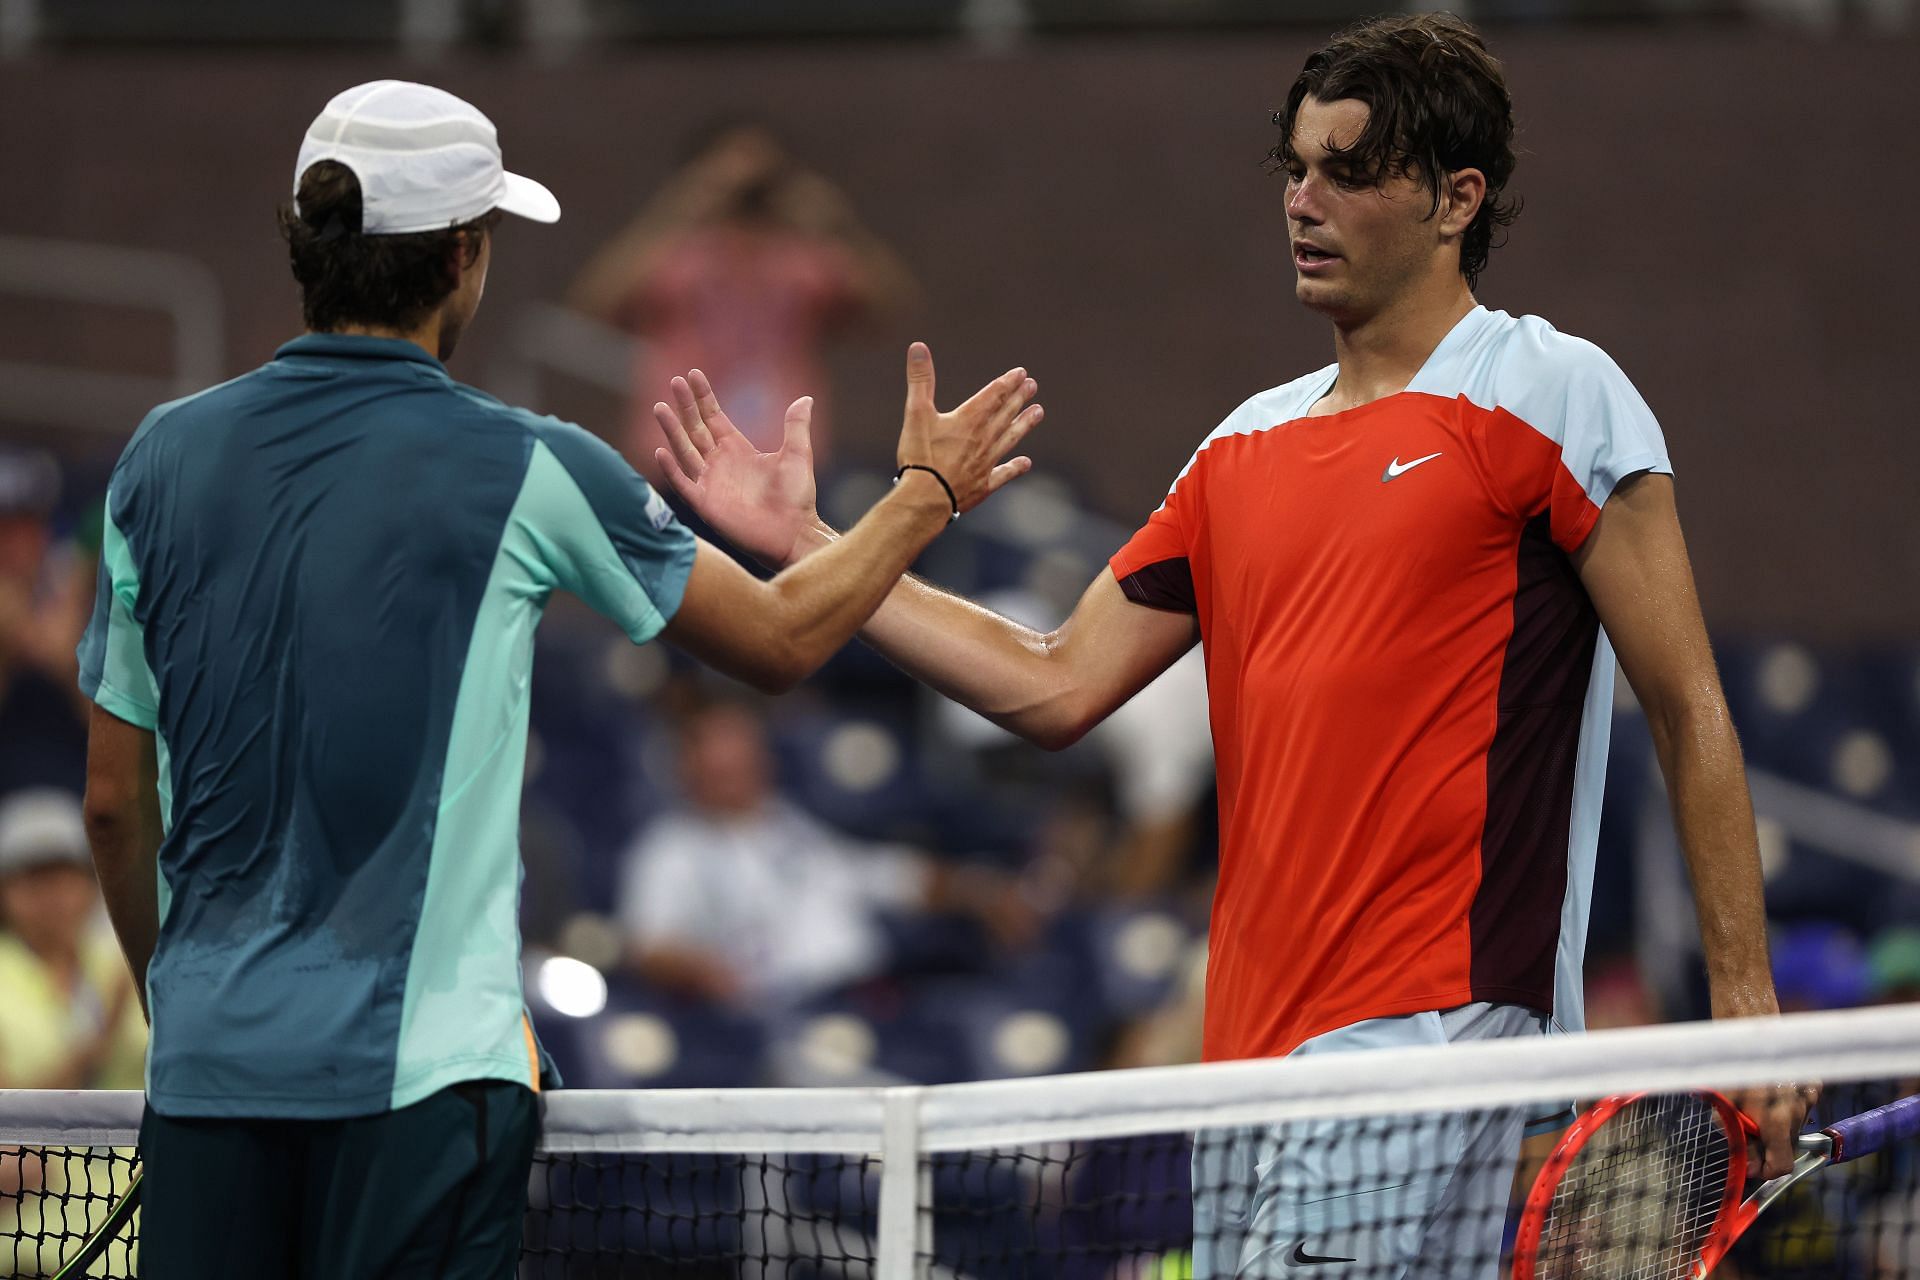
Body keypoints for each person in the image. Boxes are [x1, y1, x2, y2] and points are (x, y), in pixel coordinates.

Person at [650, 15, 1810, 1276]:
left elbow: (1692, 707)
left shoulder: (1555, 391)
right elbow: (1054, 680)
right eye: (1297, 169)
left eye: (1350, 171)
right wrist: (823, 541)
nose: (1304, 202)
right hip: (1243, 1049)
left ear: (1454, 200)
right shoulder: (1240, 445)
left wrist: (1744, 1014)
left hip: (1430, 1019)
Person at [76, 80, 1038, 1279]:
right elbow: (787, 640)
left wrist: (189, 1006)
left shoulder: (155, 458)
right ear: (466, 257)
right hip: (422, 1088)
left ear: (304, 242)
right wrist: (923, 495)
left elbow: (116, 800)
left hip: (210, 1074)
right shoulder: (528, 463)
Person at [617, 698, 1038, 1011]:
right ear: (688, 767)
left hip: (862, 996)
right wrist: (709, 974)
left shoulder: (787, 827)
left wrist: (977, 890)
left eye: (744, 752)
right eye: (720, 759)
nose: (736, 767)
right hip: (771, 1015)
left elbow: (881, 875)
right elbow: (650, 948)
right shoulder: (669, 850)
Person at [568, 120, 916, 469]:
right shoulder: (676, 256)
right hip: (680, 454)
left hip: (782, 456)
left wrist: (832, 220)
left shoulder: (799, 259)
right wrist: (679, 208)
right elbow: (595, 303)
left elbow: (887, 309)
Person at [0, 788, 146, 1089]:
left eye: (64, 875)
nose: (51, 896)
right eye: (32, 879)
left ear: (92, 884)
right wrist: (99, 1041)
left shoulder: (129, 961)